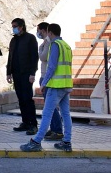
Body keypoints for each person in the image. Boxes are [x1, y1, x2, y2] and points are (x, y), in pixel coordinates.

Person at [21, 23, 73, 152]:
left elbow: (52, 66)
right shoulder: (66, 45)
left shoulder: (55, 45)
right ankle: (67, 142)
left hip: (56, 86)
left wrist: (44, 83)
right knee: (66, 114)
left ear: (50, 33)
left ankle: (36, 141)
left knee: (46, 113)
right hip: (66, 85)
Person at [6, 18, 39, 135]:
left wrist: (32, 73)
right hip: (16, 74)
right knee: (20, 98)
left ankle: (33, 124)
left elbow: (34, 57)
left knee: (27, 99)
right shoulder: (13, 40)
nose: (13, 28)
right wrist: (8, 72)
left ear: (21, 26)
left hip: (26, 74)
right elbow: (10, 57)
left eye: (15, 26)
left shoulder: (30, 38)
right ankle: (25, 122)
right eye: (12, 26)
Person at [37, 22, 64, 141]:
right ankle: (54, 129)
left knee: (50, 108)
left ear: (46, 31)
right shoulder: (47, 43)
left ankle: (57, 130)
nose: (38, 33)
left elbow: (43, 57)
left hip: (48, 78)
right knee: (51, 107)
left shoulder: (51, 44)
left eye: (40, 31)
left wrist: (41, 48)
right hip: (45, 76)